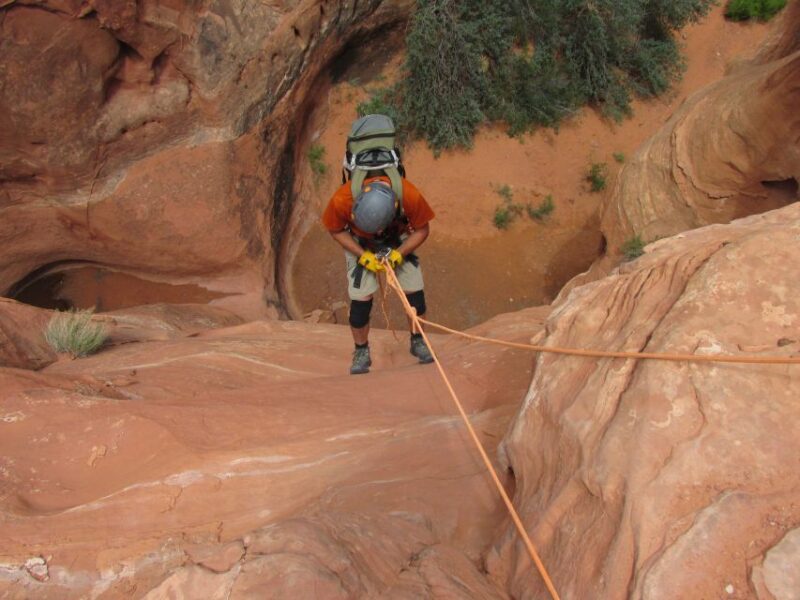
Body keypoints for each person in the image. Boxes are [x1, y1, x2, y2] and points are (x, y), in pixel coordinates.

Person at [322, 174, 435, 375]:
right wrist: (363, 255)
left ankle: (418, 341)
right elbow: (336, 230)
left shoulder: (409, 195)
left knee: (415, 293)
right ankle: (361, 351)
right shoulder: (342, 199)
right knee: (360, 301)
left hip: (396, 236)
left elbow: (422, 229)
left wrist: (399, 255)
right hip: (358, 240)